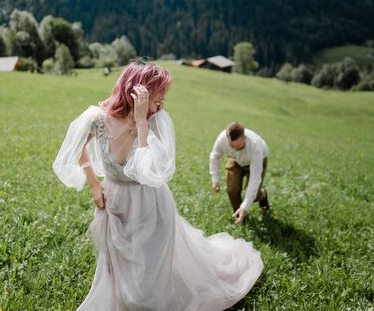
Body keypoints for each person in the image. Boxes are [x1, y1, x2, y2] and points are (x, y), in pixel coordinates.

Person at [53, 60, 263, 310]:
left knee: (151, 268)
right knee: (120, 265)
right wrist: (94, 185)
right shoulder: (97, 118)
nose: (161, 104)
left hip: (150, 202)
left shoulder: (157, 121)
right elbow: (77, 149)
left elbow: (150, 171)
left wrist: (142, 122)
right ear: (135, 92)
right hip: (115, 199)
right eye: (157, 97)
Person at [209, 122, 270, 225]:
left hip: (255, 161)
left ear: (244, 138)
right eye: (232, 146)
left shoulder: (255, 146)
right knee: (232, 189)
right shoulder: (222, 139)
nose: (235, 149)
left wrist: (245, 206)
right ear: (227, 138)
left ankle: (262, 195)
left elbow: (255, 178)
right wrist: (215, 179)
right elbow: (215, 156)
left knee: (252, 194)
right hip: (235, 160)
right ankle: (239, 217)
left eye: (238, 147)